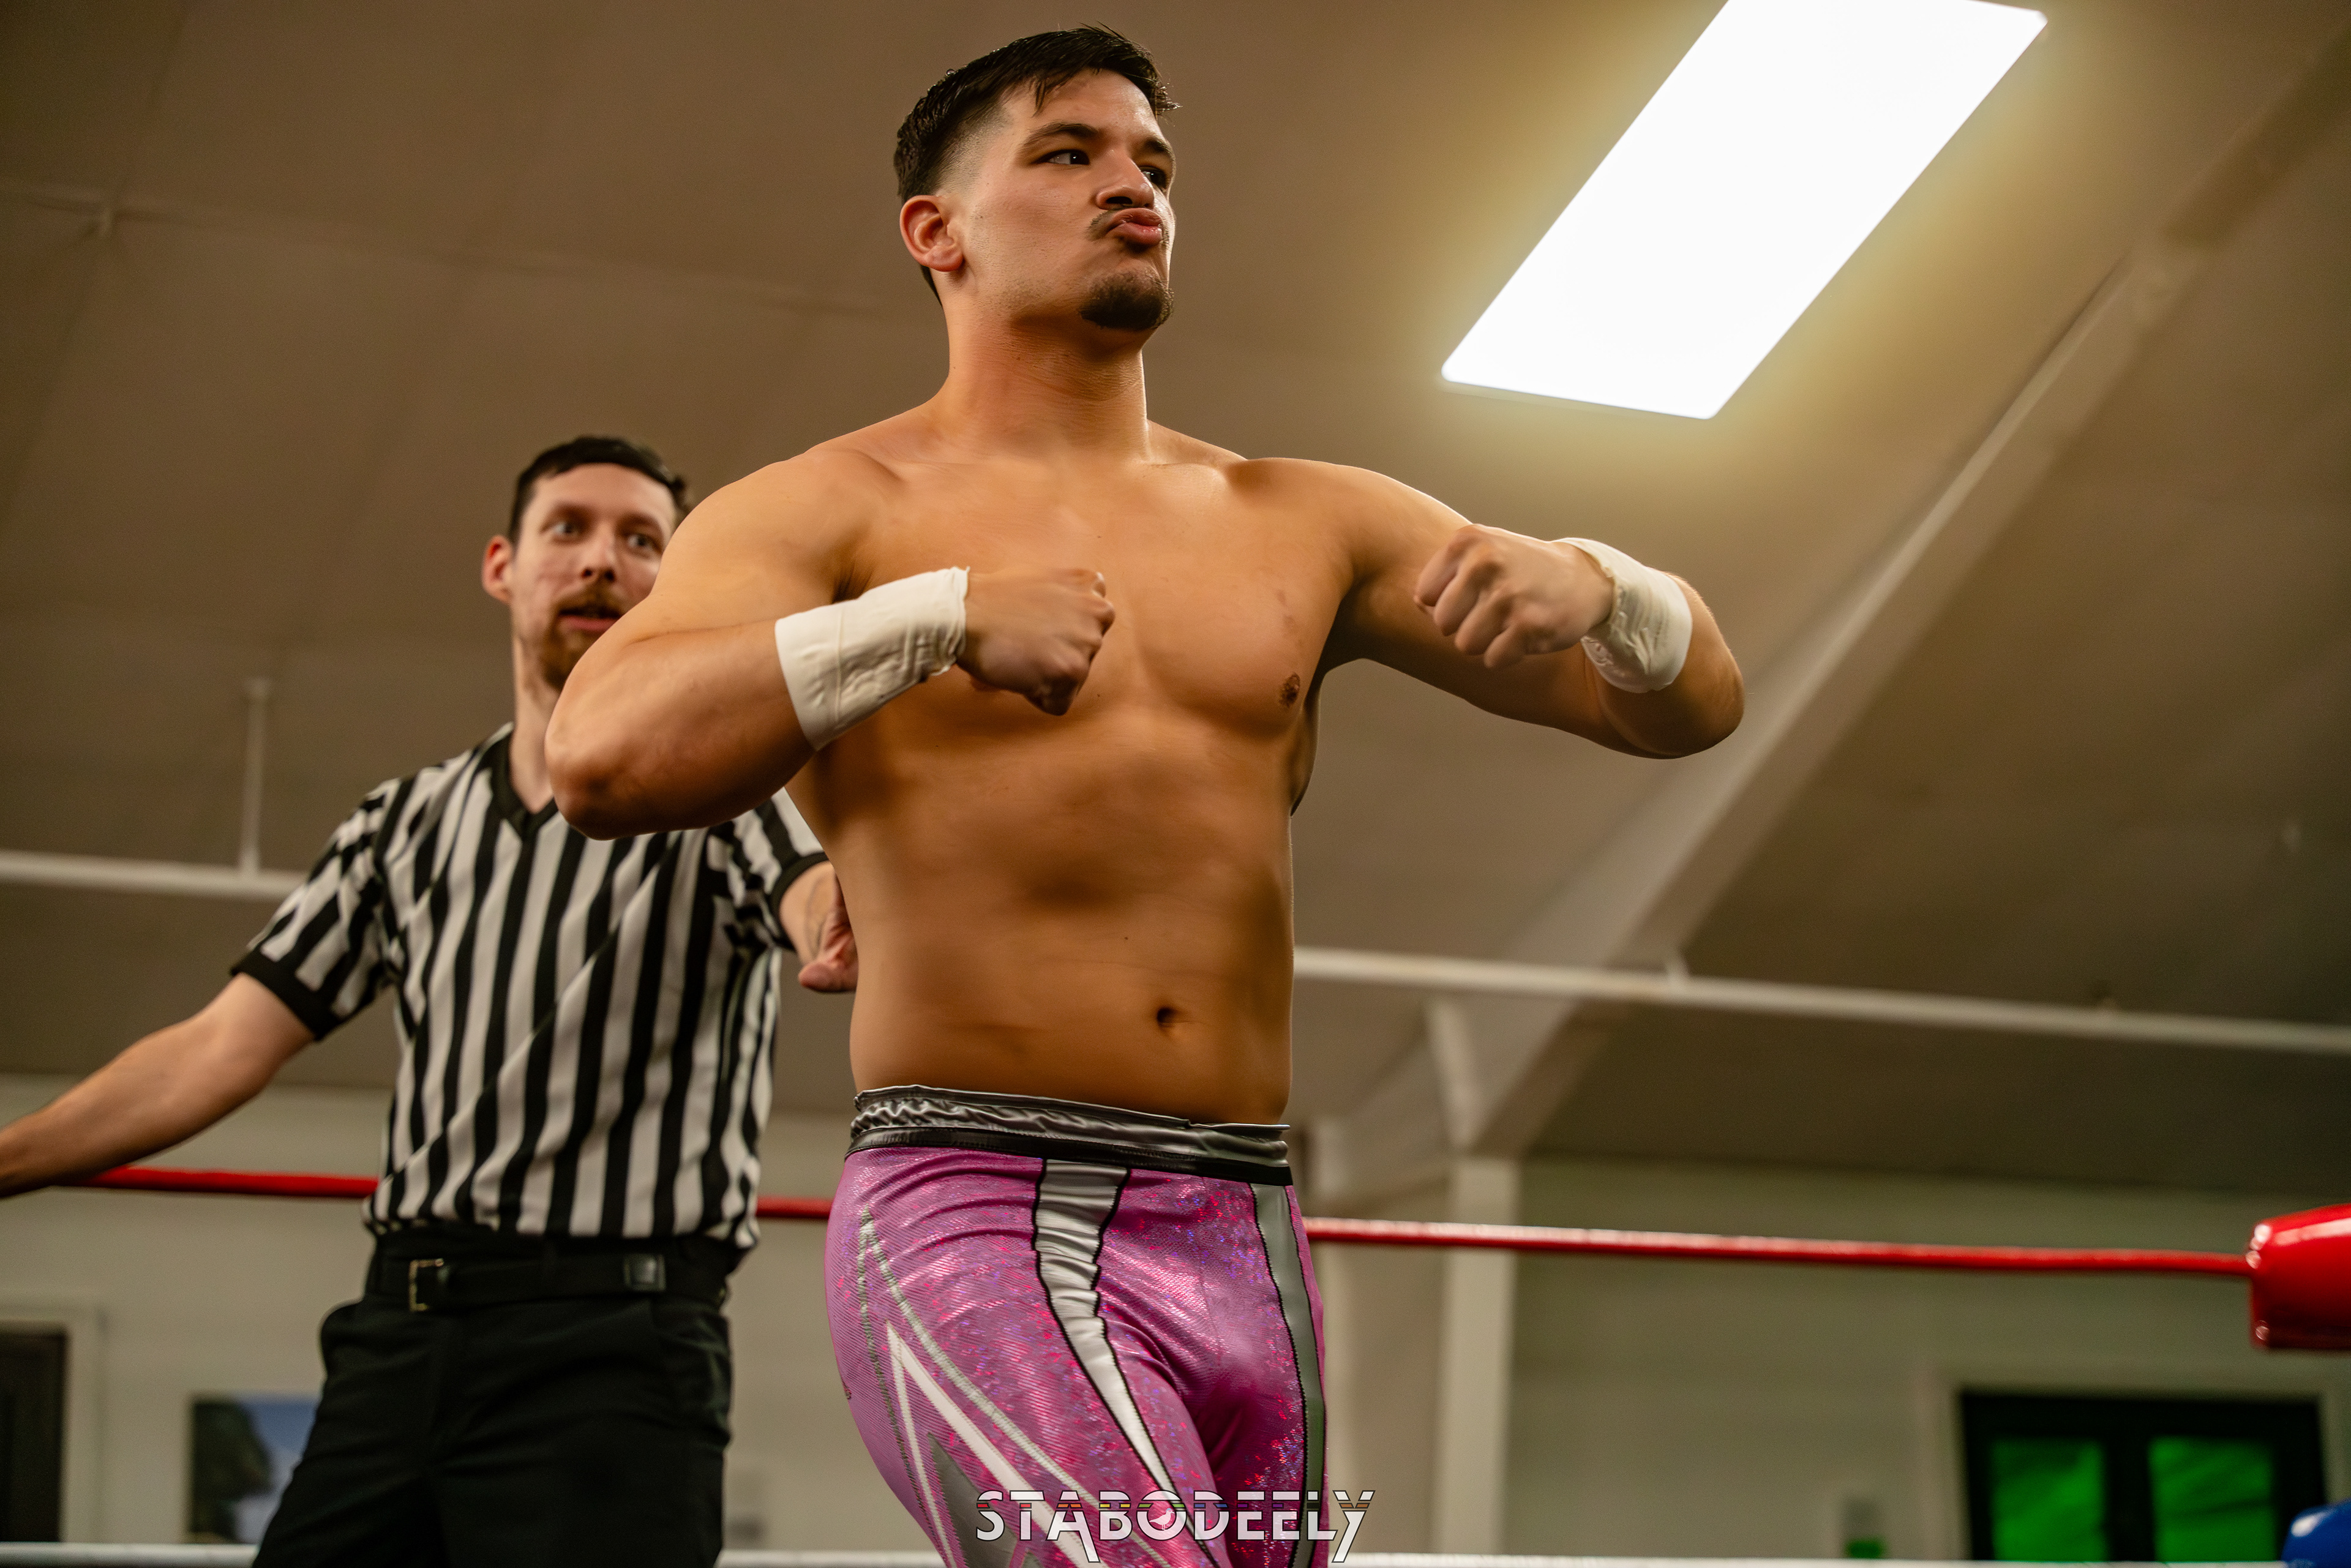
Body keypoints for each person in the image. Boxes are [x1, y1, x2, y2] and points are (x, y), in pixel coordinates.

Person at [546, 28, 1744, 1568]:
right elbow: (602, 756)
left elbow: (1687, 713)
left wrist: (1605, 586)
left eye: (1154, 165)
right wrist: (931, 619)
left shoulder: (1304, 519)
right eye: (1070, 154)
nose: (1134, 188)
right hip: (976, 1199)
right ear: (936, 231)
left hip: (1251, 1227)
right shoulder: (832, 509)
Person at [0, 435, 856, 1568]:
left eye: (642, 540)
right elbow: (218, 1045)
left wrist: (842, 916)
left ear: (673, 583)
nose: (603, 561)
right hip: (400, 1336)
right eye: (570, 529)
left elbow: (813, 898)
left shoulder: (724, 799)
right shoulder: (402, 824)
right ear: (504, 565)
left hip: (615, 1347)